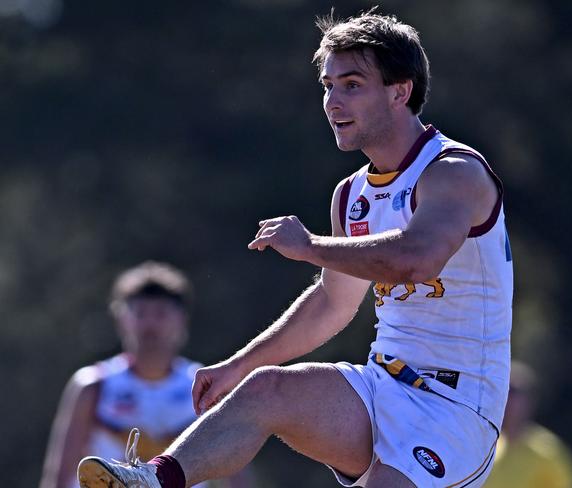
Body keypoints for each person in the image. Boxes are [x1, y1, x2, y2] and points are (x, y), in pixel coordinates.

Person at [78, 10, 513, 488]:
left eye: (351, 85)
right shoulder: (351, 195)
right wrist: (238, 367)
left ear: (399, 91)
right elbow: (331, 303)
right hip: (380, 386)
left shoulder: (454, 171)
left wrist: (309, 246)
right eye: (328, 86)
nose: (332, 102)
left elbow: (416, 259)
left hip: (456, 408)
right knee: (266, 389)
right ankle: (152, 481)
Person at [41, 261, 253, 488]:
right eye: (140, 313)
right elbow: (59, 475)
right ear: (120, 318)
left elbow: (236, 473)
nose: (150, 324)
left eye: (160, 313)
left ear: (181, 319)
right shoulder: (94, 385)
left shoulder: (207, 385)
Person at [483, 361, 572, 488]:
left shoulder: (547, 450)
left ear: (530, 401)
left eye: (514, 392)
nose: (508, 399)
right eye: (504, 391)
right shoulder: (486, 448)